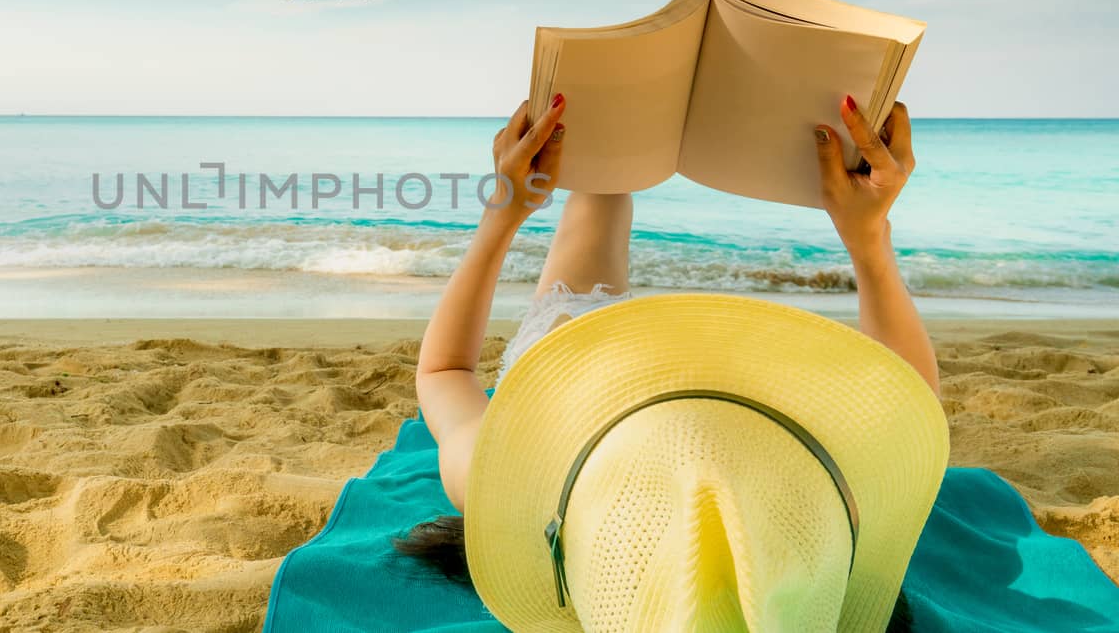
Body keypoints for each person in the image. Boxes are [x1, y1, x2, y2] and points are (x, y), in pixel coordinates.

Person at [392, 93, 948, 632]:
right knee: (603, 176)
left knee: (604, 185)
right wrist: (869, 239)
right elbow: (445, 376)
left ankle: (629, 106)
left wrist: (503, 211)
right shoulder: (807, 541)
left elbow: (444, 372)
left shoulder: (497, 480)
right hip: (596, 397)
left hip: (588, 379)